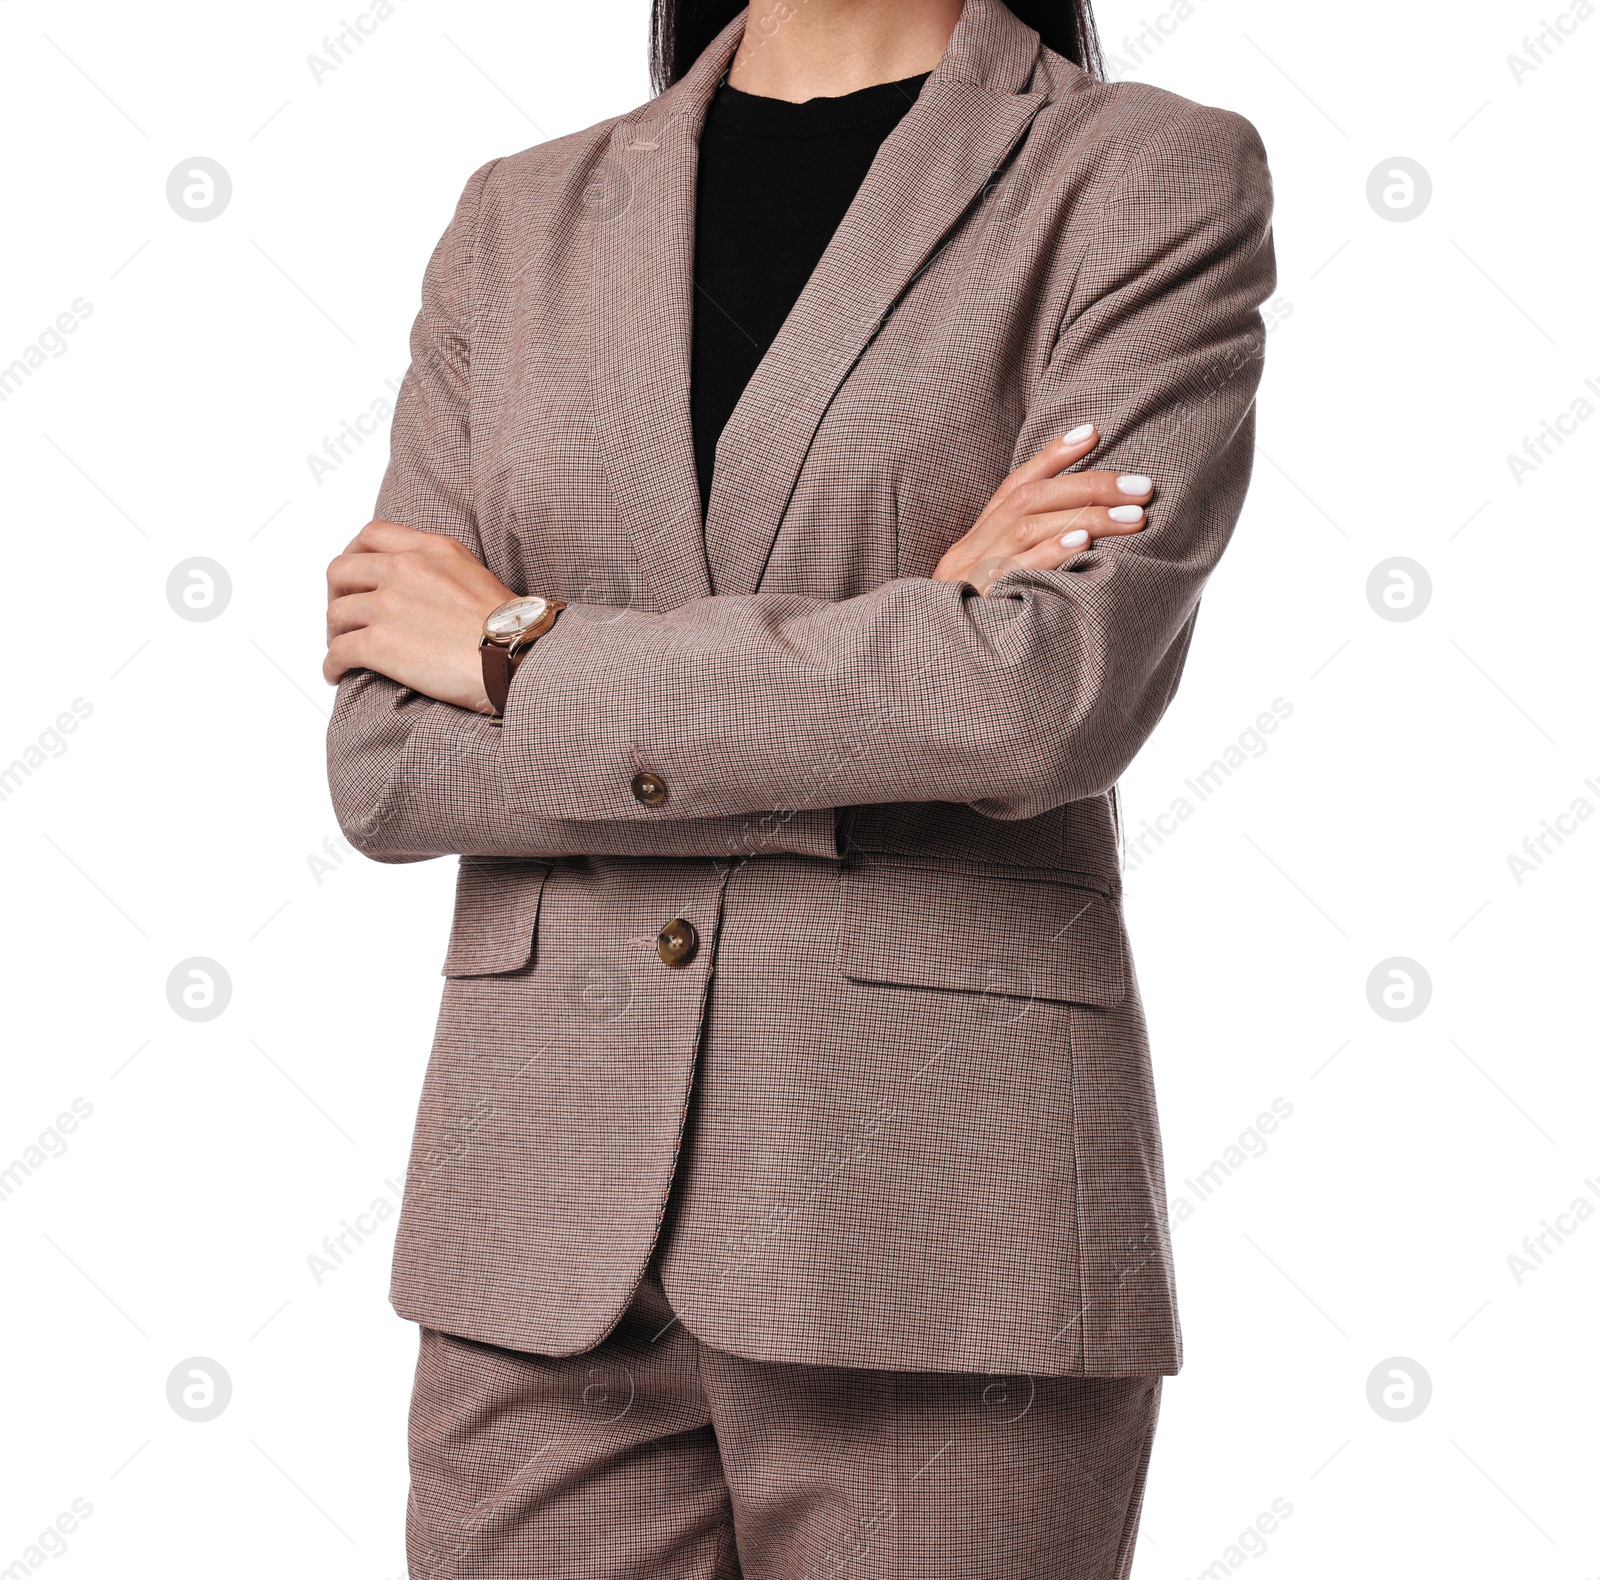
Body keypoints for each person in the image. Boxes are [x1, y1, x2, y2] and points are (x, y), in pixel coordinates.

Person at [322, 0, 1276, 1573]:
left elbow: (1032, 697)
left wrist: (510, 646)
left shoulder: (1141, 176)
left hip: (936, 1218)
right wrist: (911, 634)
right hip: (535, 1234)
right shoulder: (518, 214)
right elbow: (386, 759)